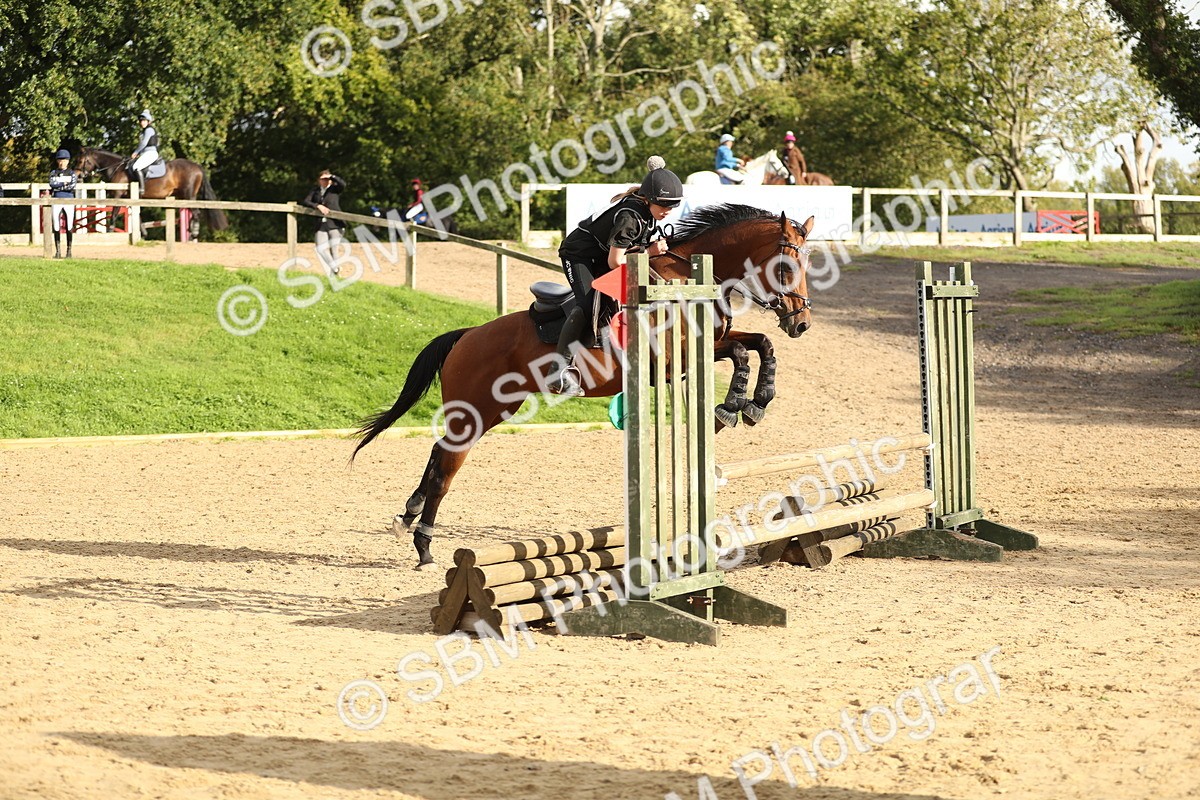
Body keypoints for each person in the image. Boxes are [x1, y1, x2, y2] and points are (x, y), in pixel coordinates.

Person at [547, 156, 682, 396]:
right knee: (588, 304)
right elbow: (616, 262)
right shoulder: (629, 218)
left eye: (672, 207)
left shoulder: (647, 212)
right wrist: (649, 250)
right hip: (579, 255)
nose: (667, 212)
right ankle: (557, 371)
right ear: (649, 200)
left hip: (601, 254)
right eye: (664, 206)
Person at [299, 169, 348, 275]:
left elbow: (343, 184)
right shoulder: (315, 191)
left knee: (334, 249)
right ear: (319, 180)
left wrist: (332, 177)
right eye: (323, 179)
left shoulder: (335, 189)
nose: (325, 181)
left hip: (335, 223)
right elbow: (306, 201)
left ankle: (334, 275)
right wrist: (317, 205)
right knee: (320, 247)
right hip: (321, 223)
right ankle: (335, 268)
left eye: (327, 179)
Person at [48, 149, 77, 259]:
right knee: (56, 225)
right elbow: (52, 184)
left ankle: (69, 250)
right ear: (57, 161)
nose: (62, 162)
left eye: (64, 160)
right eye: (60, 160)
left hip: (68, 200)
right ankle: (58, 250)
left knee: (69, 225)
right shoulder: (53, 173)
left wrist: (58, 185)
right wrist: (63, 183)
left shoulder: (72, 173)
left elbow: (72, 186)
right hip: (56, 199)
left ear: (68, 161)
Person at [129, 110, 160, 194]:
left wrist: (136, 152)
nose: (142, 123)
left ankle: (141, 188)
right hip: (146, 153)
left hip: (151, 153)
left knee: (136, 167)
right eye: (141, 121)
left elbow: (144, 143)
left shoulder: (149, 129)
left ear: (148, 121)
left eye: (144, 121)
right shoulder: (145, 131)